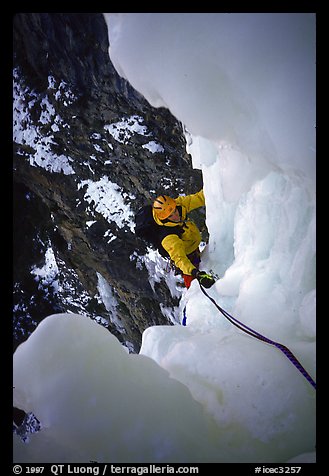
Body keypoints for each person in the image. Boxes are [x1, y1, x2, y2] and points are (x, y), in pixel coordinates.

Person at [152, 189, 215, 289]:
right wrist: (196, 273)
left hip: (192, 245)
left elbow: (198, 198)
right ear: (164, 219)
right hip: (186, 257)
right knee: (194, 286)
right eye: (171, 216)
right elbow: (180, 259)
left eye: (175, 211)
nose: (176, 215)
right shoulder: (168, 237)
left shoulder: (178, 205)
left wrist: (213, 188)